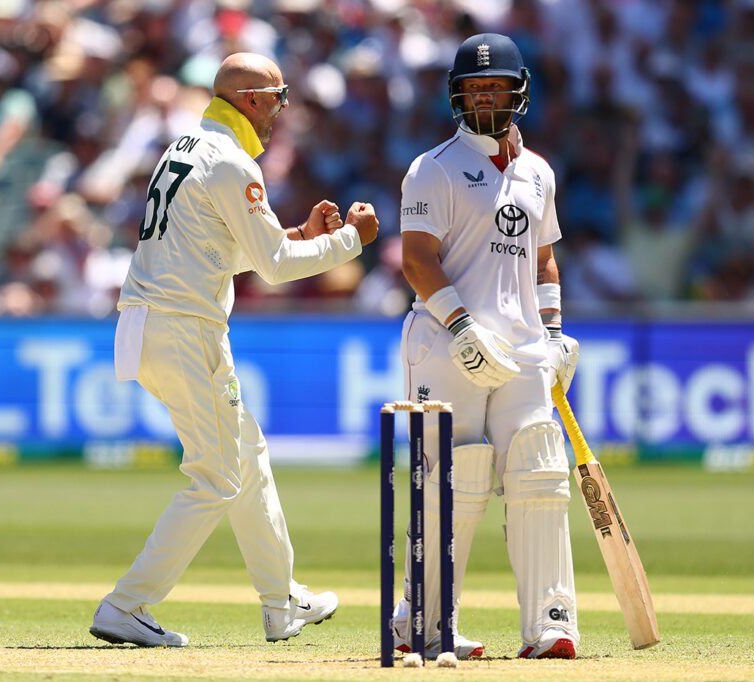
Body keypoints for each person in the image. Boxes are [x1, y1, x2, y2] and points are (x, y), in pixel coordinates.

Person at [90, 52, 379, 648]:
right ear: (251, 99)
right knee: (217, 478)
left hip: (150, 320)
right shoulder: (232, 161)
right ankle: (126, 604)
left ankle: (281, 602)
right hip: (185, 325)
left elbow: (230, 248)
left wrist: (300, 234)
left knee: (246, 457)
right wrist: (352, 241)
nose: (281, 109)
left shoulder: (188, 146)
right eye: (278, 96)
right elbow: (273, 268)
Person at [392, 33, 580, 661]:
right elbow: (416, 261)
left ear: (518, 92)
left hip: (523, 348)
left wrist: (552, 336)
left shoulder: (538, 172)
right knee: (454, 478)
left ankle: (550, 624)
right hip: (446, 344)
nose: (484, 97)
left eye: (495, 86)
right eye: (474, 88)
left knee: (539, 471)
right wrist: (462, 327)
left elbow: (545, 263)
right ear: (456, 95)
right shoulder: (433, 167)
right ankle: (421, 620)